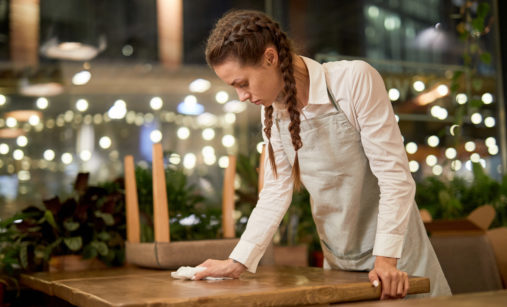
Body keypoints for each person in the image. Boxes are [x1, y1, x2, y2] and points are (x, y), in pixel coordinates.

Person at [193, 9, 452, 299]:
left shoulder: (353, 81)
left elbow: (395, 178)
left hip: (396, 258)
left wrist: (387, 260)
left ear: (270, 58)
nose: (241, 96)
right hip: (339, 259)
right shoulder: (274, 114)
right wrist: (236, 262)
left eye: (242, 83)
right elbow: (275, 194)